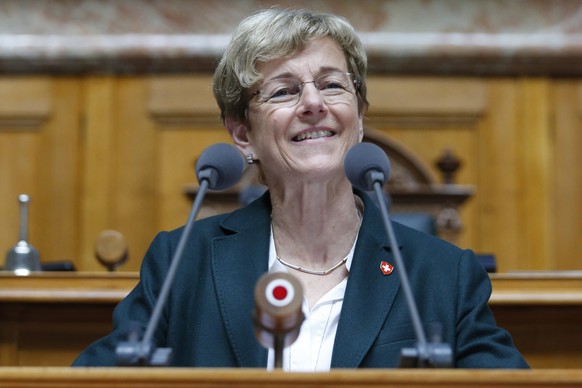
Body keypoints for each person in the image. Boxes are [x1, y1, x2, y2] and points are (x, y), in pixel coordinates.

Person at [72, 7, 528, 369]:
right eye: (283, 91)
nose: (313, 103)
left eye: (332, 85)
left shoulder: (441, 276)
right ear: (243, 134)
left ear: (360, 115)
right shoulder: (182, 263)